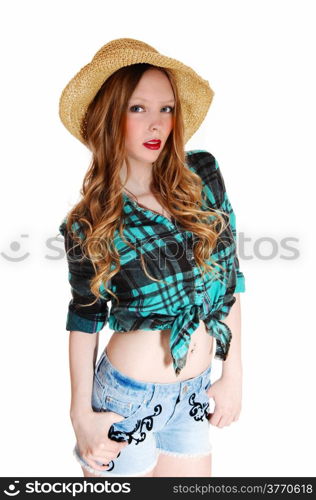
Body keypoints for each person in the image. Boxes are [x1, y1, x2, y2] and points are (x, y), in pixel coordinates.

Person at [58, 38, 246, 478]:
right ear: (111, 117)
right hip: (125, 402)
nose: (157, 123)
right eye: (138, 109)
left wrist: (233, 375)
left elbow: (231, 281)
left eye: (167, 109)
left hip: (194, 394)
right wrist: (80, 416)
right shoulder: (92, 220)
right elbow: (85, 319)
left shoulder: (203, 174)